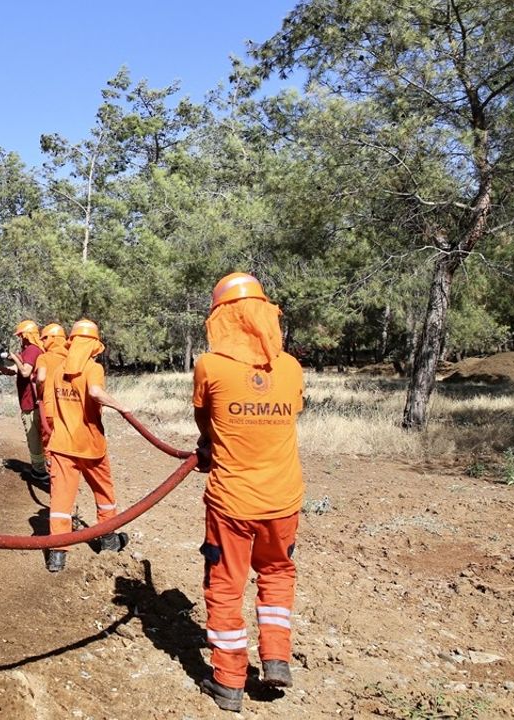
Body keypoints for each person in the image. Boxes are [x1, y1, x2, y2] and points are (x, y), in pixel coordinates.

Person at [191, 272, 305, 713]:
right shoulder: (291, 367)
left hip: (232, 503)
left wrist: (211, 444)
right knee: (277, 572)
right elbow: (293, 410)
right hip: (283, 501)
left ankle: (228, 681)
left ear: (221, 318)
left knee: (225, 586)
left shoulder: (210, 366)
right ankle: (276, 656)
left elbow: (206, 421)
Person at [40, 319, 130, 573]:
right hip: (90, 446)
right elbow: (95, 393)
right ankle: (109, 540)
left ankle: (57, 555)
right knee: (104, 493)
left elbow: (49, 409)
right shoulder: (93, 368)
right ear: (94, 345)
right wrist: (121, 406)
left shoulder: (58, 371)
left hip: (61, 445)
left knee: (60, 501)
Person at [0, 319, 49, 484]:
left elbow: (25, 371)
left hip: (32, 404)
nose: (20, 338)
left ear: (27, 335)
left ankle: (40, 472)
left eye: (21, 335)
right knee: (37, 439)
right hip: (30, 402)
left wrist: (11, 355)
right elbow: (14, 370)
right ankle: (43, 469)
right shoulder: (29, 351)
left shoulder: (33, 350)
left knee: (34, 439)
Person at [33, 323, 68, 453]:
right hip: (69, 411)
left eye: (44, 338)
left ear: (53, 338)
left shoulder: (44, 358)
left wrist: (38, 395)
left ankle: (51, 471)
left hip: (50, 410)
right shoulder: (72, 358)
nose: (42, 341)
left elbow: (41, 378)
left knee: (49, 447)